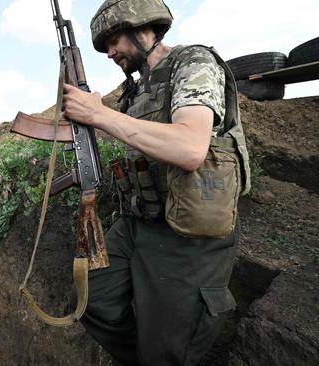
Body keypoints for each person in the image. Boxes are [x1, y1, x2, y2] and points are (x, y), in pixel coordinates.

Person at [62, 0, 252, 365]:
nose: (110, 52)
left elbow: (190, 148)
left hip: (190, 236)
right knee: (91, 298)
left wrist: (100, 115)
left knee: (166, 351)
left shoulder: (192, 62)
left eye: (113, 40)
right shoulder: (134, 91)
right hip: (140, 221)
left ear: (140, 26)